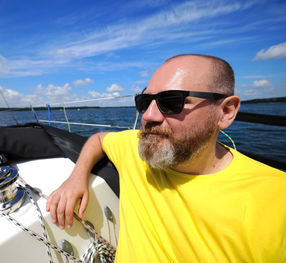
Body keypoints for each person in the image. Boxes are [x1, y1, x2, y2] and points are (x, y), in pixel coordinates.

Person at [46, 54, 286, 262]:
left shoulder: (276, 200)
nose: (149, 116)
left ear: (225, 112)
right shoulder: (138, 147)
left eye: (172, 102)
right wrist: (76, 177)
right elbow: (99, 139)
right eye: (144, 102)